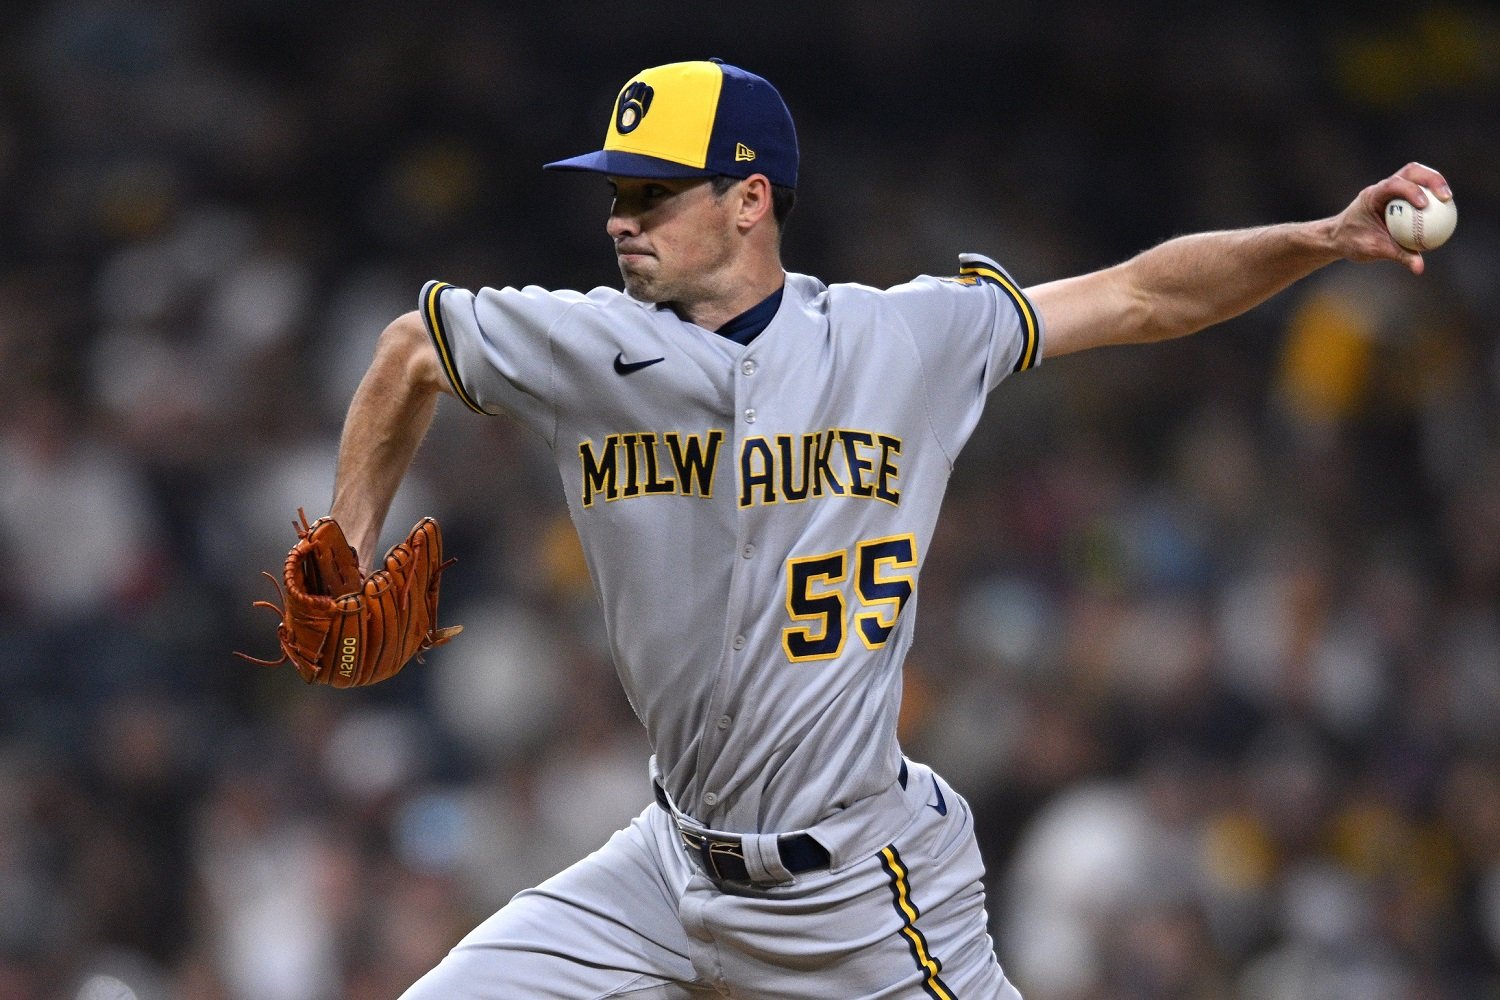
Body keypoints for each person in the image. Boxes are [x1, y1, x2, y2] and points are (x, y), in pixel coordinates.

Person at [326, 58, 1451, 999]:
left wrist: (1317, 237)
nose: (621, 222)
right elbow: (407, 354)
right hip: (666, 867)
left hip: (858, 885)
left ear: (749, 198)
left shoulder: (901, 339)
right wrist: (344, 547)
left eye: (654, 194)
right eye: (616, 196)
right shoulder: (580, 343)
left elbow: (1144, 296)